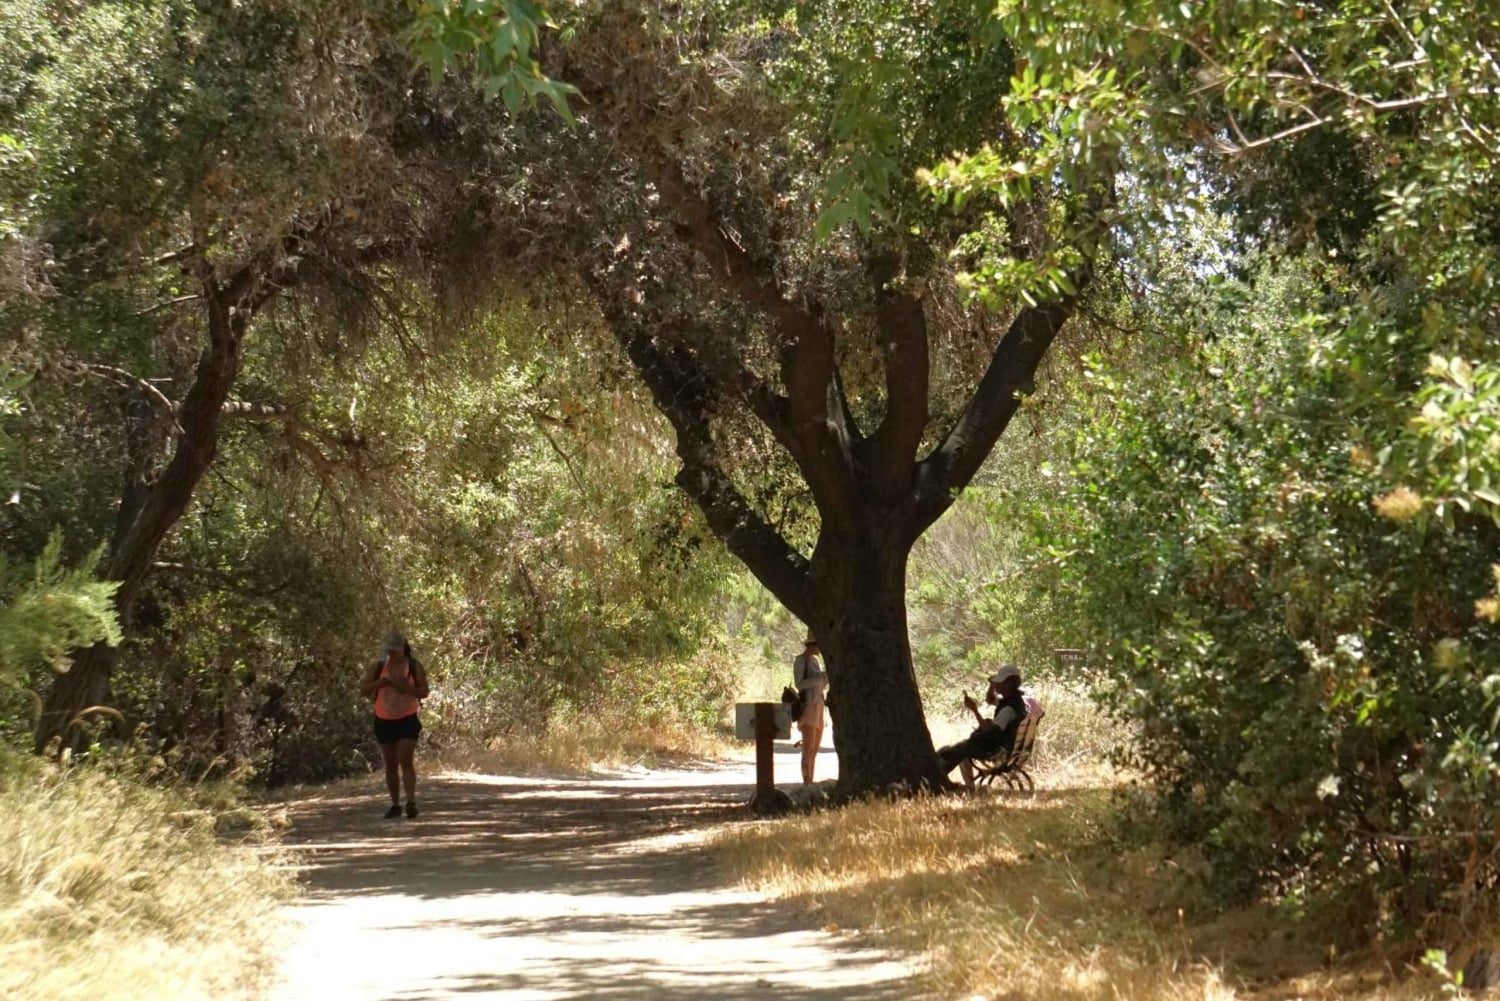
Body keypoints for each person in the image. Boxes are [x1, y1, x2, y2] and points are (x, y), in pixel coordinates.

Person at [359, 630, 429, 818]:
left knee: (405, 759)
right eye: (389, 650)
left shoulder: (413, 666)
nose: (391, 653)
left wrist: (406, 688)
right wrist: (381, 683)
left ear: (403, 648)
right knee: (390, 764)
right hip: (383, 719)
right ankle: (395, 804)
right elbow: (363, 689)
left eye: (394, 650)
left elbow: (424, 691)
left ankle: (411, 802)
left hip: (407, 718)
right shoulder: (378, 666)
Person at [937, 663, 1028, 790]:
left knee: (963, 748)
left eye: (999, 682)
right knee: (955, 748)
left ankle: (938, 775)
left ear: (1008, 684)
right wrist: (992, 684)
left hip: (995, 750)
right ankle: (942, 762)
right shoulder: (1014, 701)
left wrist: (974, 710)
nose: (997, 685)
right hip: (1001, 746)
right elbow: (990, 700)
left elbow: (987, 728)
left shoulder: (1009, 708)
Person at [792, 631, 828, 784]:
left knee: (814, 750)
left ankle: (810, 781)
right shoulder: (801, 661)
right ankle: (806, 782)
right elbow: (799, 684)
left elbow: (821, 684)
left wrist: (824, 679)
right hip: (808, 707)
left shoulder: (815, 661)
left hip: (819, 706)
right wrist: (819, 679)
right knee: (807, 749)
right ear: (812, 645)